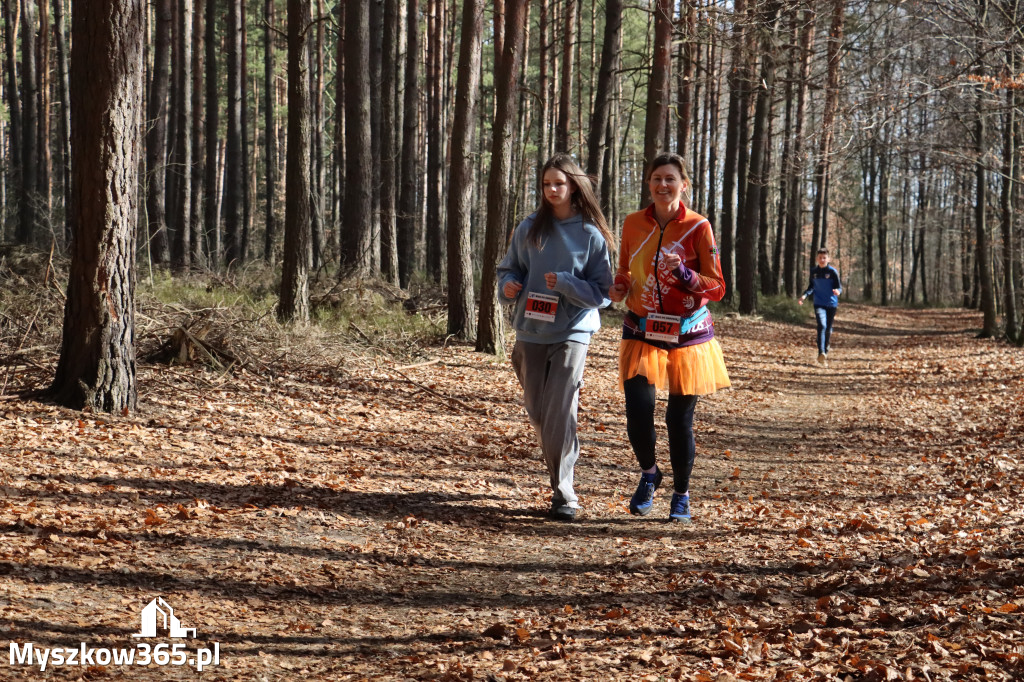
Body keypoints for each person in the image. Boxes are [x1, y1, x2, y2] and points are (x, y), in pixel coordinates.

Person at [609, 152, 730, 523]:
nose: (663, 185)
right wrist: (619, 286)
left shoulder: (698, 226)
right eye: (657, 178)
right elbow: (627, 271)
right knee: (638, 411)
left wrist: (687, 277)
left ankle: (681, 493)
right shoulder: (632, 223)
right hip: (642, 327)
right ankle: (649, 473)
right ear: (649, 183)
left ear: (684, 185)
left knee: (679, 420)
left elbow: (718, 286)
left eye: (671, 179)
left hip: (687, 333)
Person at [497, 153, 614, 522]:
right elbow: (507, 269)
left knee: (560, 411)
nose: (552, 190)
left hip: (573, 332)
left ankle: (565, 493)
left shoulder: (590, 234)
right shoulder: (529, 227)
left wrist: (566, 284)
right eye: (546, 184)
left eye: (559, 184)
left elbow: (604, 293)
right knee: (539, 412)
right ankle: (559, 480)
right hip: (530, 330)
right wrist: (508, 286)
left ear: (574, 185)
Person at [798, 248, 842, 366]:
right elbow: (811, 287)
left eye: (824, 258)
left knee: (828, 328)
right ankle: (821, 352)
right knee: (821, 325)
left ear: (828, 259)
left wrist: (838, 291)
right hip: (818, 303)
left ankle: (825, 349)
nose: (822, 260)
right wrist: (804, 295)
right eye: (820, 258)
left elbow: (839, 287)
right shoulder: (814, 272)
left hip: (832, 304)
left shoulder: (833, 272)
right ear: (817, 258)